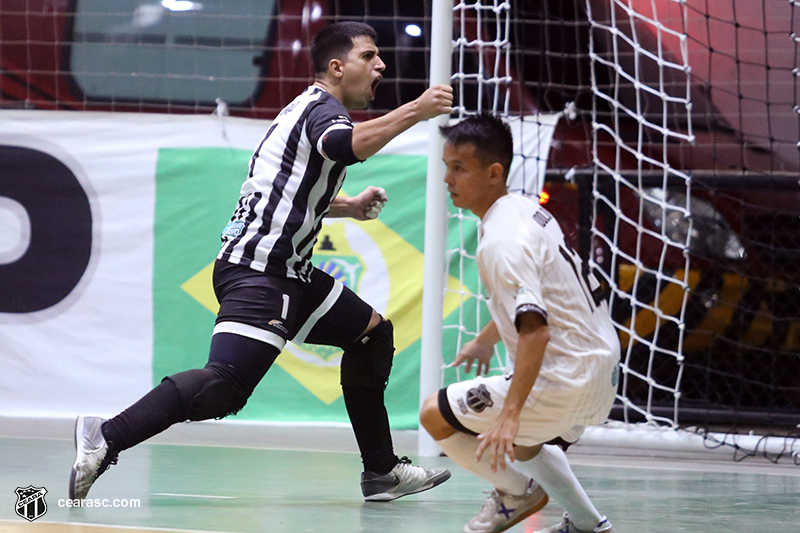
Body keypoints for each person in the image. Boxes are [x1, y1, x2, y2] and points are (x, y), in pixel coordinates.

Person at [70, 21, 454, 503]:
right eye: (369, 56)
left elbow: (281, 190)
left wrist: (349, 206)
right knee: (225, 387)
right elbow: (344, 146)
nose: (381, 66)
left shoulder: (303, 109)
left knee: (371, 334)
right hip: (260, 271)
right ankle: (106, 434)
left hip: (288, 272)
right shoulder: (323, 112)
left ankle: (381, 472)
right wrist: (417, 110)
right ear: (336, 68)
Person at [419, 113, 620, 533]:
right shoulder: (526, 210)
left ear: (494, 173)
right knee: (530, 442)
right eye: (446, 167)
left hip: (564, 375)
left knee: (434, 415)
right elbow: (540, 304)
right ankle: (588, 525)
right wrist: (486, 340)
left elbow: (536, 331)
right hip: (599, 368)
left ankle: (515, 493)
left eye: (458, 169)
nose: (447, 179)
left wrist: (510, 413)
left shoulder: (501, 242)